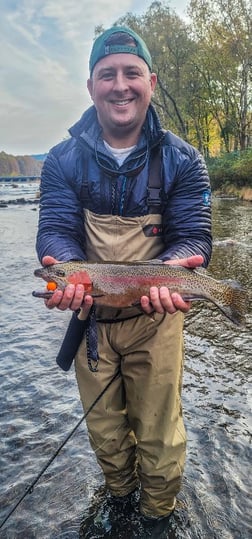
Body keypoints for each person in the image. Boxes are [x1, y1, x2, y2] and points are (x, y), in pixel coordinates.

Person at [36, 26, 212, 535]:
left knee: (159, 436)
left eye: (131, 73)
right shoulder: (63, 160)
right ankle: (120, 500)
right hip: (91, 318)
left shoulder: (184, 159)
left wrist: (176, 271)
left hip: (157, 318)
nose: (120, 86)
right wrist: (63, 271)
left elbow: (195, 236)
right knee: (106, 433)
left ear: (151, 82)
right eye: (106, 75)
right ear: (90, 86)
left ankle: (157, 519)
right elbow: (55, 232)